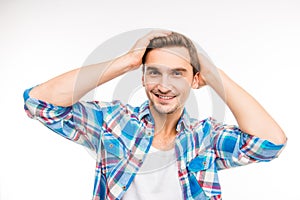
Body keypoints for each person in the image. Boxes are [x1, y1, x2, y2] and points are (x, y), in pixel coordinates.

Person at [23, 30, 287, 200]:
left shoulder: (206, 137)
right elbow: (40, 103)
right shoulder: (114, 122)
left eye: (177, 73)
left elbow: (269, 144)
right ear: (143, 76)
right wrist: (127, 60)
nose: (164, 85)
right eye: (154, 72)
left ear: (196, 80)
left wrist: (215, 75)